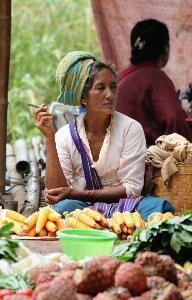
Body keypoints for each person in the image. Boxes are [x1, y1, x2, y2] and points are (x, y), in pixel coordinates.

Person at [34, 51, 174, 220]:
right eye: (101, 88)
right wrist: (50, 138)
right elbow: (55, 193)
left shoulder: (130, 129)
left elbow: (132, 190)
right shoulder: (65, 136)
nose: (110, 94)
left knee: (159, 208)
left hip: (125, 208)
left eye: (113, 86)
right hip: (83, 211)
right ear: (83, 96)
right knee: (62, 208)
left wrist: (78, 194)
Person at [116, 19, 192, 149]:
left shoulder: (119, 77)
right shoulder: (155, 78)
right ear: (165, 48)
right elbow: (175, 119)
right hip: (143, 162)